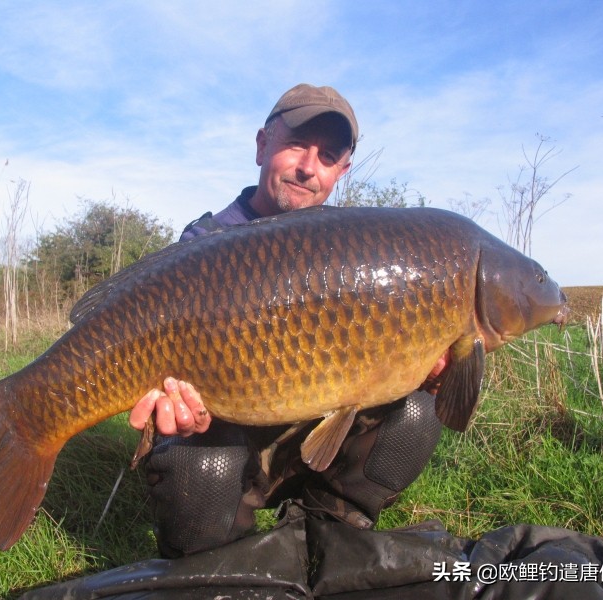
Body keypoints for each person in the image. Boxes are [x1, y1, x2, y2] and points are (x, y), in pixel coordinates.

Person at [128, 83, 445, 558]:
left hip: (314, 436)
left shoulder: (353, 250)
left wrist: (421, 367)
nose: (307, 167)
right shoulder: (205, 244)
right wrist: (174, 411)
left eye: (328, 155)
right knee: (201, 465)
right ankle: (221, 560)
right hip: (231, 440)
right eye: (296, 144)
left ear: (342, 171)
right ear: (261, 145)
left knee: (419, 411)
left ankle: (329, 530)